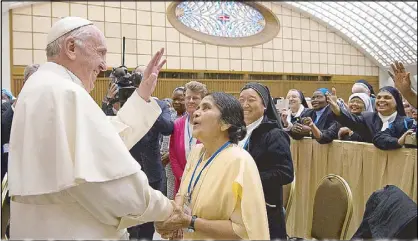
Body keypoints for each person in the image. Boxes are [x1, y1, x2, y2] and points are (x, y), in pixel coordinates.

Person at [7, 17, 177, 239]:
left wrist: (142, 94)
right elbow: (113, 185)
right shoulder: (65, 92)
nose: (104, 66)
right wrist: (166, 208)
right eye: (100, 52)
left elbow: (100, 140)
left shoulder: (42, 86)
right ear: (71, 48)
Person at [155, 92, 270, 240]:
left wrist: (191, 222)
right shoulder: (196, 152)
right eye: (198, 108)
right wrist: (175, 219)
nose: (196, 113)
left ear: (225, 123)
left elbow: (245, 230)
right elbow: (183, 193)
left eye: (206, 108)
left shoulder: (240, 162)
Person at [239, 83, 294, 239]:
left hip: (263, 210)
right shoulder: (235, 132)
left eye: (251, 100)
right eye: (241, 99)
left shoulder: (274, 134)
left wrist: (248, 180)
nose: (245, 105)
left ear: (264, 105)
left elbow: (286, 173)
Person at [128, 98, 174, 240]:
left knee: (148, 217)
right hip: (128, 172)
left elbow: (168, 128)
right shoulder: (127, 101)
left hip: (152, 171)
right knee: (129, 215)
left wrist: (150, 108)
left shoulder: (160, 105)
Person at [327, 86, 409, 144]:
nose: (381, 100)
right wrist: (337, 110)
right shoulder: (367, 118)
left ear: (397, 102)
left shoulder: (406, 122)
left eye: (387, 97)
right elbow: (351, 120)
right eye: (379, 97)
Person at [169, 81, 207, 195]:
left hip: (203, 184)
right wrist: (182, 177)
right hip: (181, 184)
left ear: (203, 101)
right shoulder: (177, 124)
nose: (190, 101)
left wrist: (196, 180)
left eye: (195, 98)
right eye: (188, 97)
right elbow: (173, 154)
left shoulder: (210, 124)